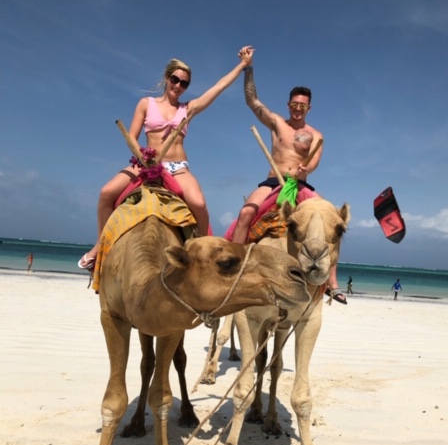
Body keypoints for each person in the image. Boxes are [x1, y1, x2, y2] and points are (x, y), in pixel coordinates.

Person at [79, 47, 254, 269]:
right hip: (146, 163)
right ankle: (99, 245)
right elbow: (131, 137)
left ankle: (202, 251)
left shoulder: (187, 108)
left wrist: (242, 65)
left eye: (184, 83)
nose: (178, 86)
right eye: (175, 79)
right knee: (106, 193)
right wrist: (144, 157)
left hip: (178, 167)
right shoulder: (146, 104)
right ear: (167, 77)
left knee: (199, 204)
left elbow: (218, 87)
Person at [230, 48, 347, 304]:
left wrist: (307, 169)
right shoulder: (276, 123)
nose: (297, 109)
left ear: (309, 107)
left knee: (333, 221)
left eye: (302, 106)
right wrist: (248, 69)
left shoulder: (316, 134)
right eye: (294, 105)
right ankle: (234, 267)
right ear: (288, 105)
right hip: (274, 181)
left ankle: (332, 282)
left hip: (301, 184)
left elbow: (314, 159)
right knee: (245, 214)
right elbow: (252, 101)